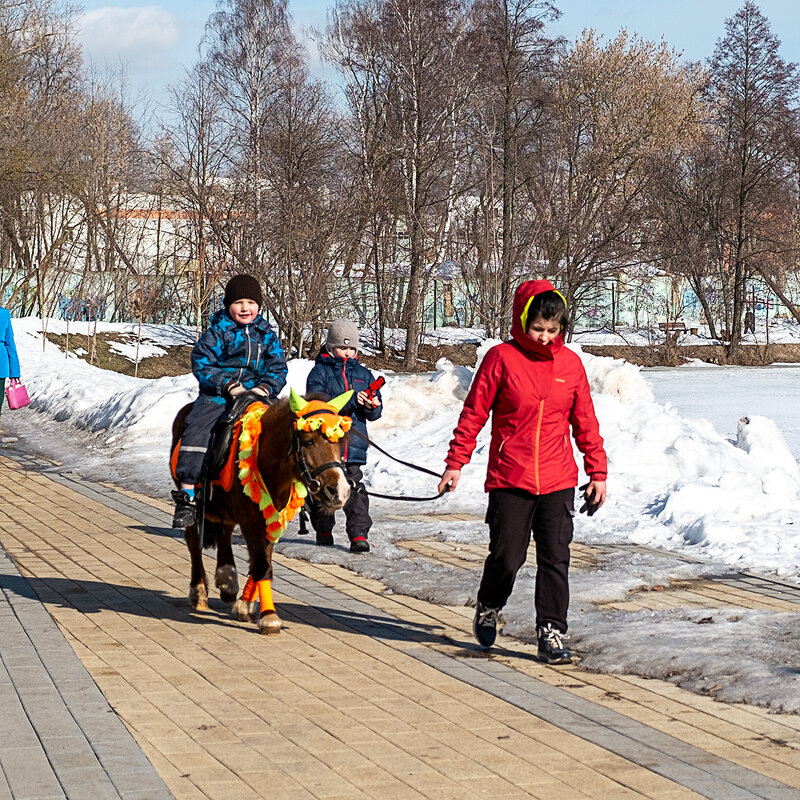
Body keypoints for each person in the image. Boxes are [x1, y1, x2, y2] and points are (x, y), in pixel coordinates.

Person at [437, 280, 607, 664]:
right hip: (510, 476)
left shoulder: (571, 365)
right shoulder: (501, 358)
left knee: (555, 558)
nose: (546, 337)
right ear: (522, 320)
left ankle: (551, 630)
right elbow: (474, 414)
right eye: (538, 328)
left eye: (554, 329)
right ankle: (489, 604)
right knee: (506, 557)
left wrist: (597, 472)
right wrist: (455, 463)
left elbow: (585, 423)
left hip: (558, 478)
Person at [172, 274, 287, 528]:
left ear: (259, 305)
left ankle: (290, 490)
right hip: (219, 395)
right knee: (197, 427)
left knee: (287, 426)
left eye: (250, 302)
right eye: (238, 302)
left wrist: (265, 387)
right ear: (228, 305)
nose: (245, 308)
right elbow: (202, 363)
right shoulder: (217, 332)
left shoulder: (266, 334)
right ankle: (187, 493)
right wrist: (227, 385)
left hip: (258, 394)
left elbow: (278, 367)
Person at [305, 318, 382, 553]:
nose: (347, 352)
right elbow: (317, 402)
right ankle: (323, 528)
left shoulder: (364, 374)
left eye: (351, 348)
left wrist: (372, 405)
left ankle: (359, 534)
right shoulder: (319, 372)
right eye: (342, 347)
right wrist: (351, 399)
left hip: (354, 444)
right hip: (327, 445)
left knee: (355, 489)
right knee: (323, 487)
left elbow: (376, 414)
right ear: (330, 347)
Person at [0, 305, 22, 429]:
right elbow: (10, 343)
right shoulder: (4, 314)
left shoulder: (4, 314)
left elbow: (10, 343)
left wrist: (14, 371)